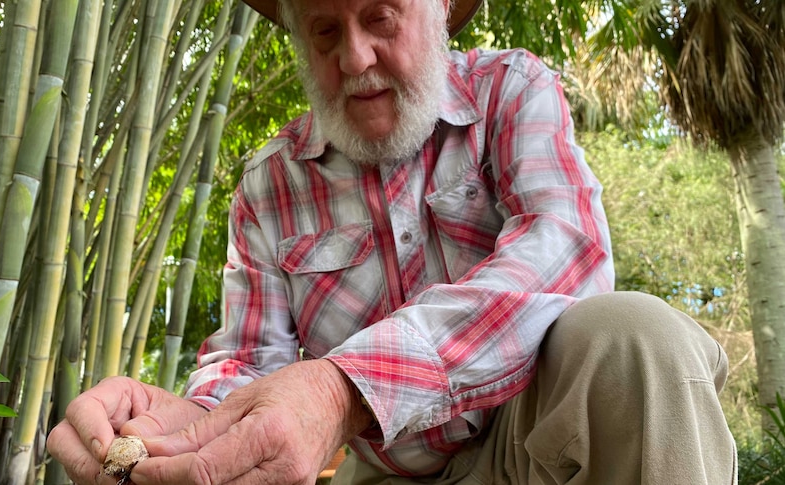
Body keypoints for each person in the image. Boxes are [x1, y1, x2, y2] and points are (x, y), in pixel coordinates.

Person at [47, 0, 738, 483]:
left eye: (380, 17)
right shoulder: (268, 183)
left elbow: (566, 255)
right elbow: (251, 359)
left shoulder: (511, 93)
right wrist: (189, 424)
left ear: (437, 9)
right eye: (323, 32)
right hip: (381, 473)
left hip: (539, 452)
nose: (354, 56)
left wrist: (345, 387)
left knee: (637, 335)